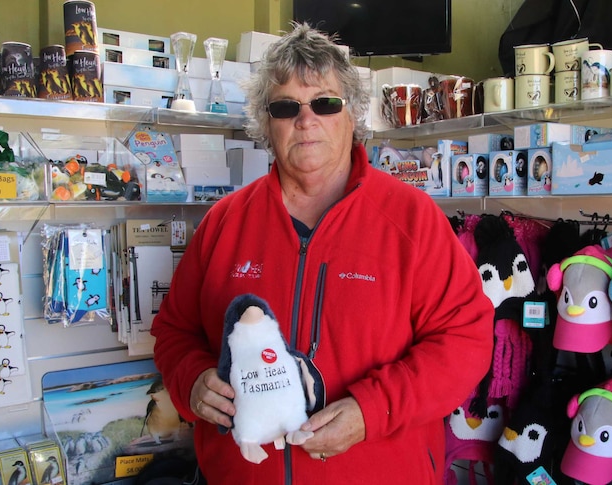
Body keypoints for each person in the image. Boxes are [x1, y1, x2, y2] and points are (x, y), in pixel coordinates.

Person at [151, 22, 494, 484]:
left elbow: (466, 341)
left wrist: (372, 410)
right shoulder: (223, 223)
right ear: (265, 123)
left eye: (325, 103)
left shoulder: (412, 220)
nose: (305, 120)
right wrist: (192, 380)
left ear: (351, 115)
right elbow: (174, 330)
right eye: (286, 106)